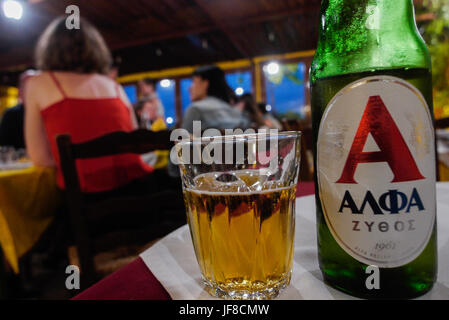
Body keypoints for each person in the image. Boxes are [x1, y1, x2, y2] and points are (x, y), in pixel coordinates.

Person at [25, 17, 178, 197]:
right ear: (95, 49)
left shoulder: (39, 83)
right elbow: (136, 139)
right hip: (142, 194)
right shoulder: (113, 86)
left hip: (85, 202)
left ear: (49, 49)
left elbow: (40, 158)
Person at [181, 65, 249, 133]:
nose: (189, 88)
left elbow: (182, 142)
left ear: (205, 83)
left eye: (194, 82)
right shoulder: (234, 111)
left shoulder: (195, 109)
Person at [0, 70, 37, 149]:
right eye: (27, 87)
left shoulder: (47, 112)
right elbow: (4, 146)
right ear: (20, 92)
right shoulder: (11, 114)